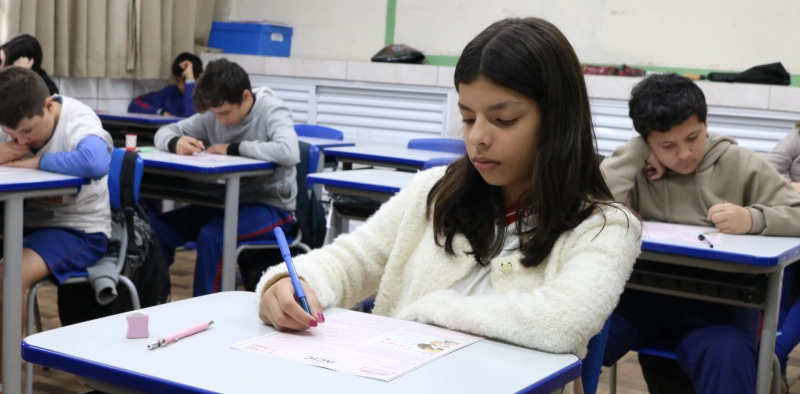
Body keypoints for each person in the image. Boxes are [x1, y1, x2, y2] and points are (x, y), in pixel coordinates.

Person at [256, 17, 641, 394]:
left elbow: (562, 320)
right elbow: (351, 259)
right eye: (468, 118)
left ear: (557, 120)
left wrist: (428, 313)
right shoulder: (435, 191)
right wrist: (295, 282)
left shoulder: (605, 226)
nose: (478, 138)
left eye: (504, 119)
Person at [600, 73, 800, 394]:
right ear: (647, 141)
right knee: (576, 337)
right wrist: (637, 152)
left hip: (720, 310)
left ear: (706, 124)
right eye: (667, 145)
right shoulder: (637, 165)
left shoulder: (739, 162)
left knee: (728, 356)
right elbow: (591, 211)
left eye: (693, 138)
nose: (684, 153)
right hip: (641, 301)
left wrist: (752, 218)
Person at [0, 67, 113, 384]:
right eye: (11, 134)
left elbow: (95, 162)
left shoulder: (78, 120)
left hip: (79, 229)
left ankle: (6, 382)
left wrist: (36, 161)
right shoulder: (13, 124)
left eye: (27, 131)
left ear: (48, 106)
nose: (21, 140)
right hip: (29, 223)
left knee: (9, 276)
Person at [150, 58, 299, 297]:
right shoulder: (216, 112)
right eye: (215, 114)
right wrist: (174, 142)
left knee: (213, 236)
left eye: (225, 113)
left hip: (272, 207)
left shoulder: (271, 109)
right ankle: (154, 302)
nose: (220, 121)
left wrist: (233, 148)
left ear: (246, 96)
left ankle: (206, 312)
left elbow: (289, 151)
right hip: (226, 201)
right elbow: (165, 131)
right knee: (159, 227)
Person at [128, 52, 203, 117]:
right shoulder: (170, 93)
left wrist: (190, 81)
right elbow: (134, 105)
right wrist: (160, 112)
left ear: (199, 78)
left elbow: (190, 117)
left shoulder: (205, 98)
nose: (180, 86)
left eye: (185, 81)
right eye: (177, 81)